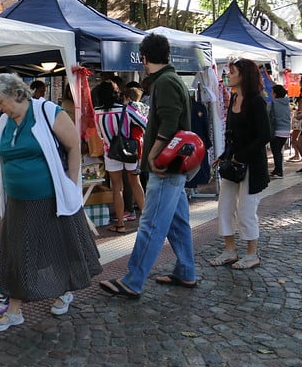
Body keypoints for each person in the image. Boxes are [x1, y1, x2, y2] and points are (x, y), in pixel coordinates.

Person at [0, 73, 102, 332]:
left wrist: (72, 185)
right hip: (17, 200)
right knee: (17, 254)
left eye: (0, 101)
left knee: (54, 249)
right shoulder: (5, 121)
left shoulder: (48, 111)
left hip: (49, 197)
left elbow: (73, 147)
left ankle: (62, 291)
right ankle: (14, 310)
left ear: (16, 94)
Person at [99, 33, 196, 298]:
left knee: (151, 224)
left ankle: (133, 280)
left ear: (144, 58)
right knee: (178, 223)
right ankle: (186, 271)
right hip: (174, 165)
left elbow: (168, 121)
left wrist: (153, 154)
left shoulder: (164, 82)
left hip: (166, 166)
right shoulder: (171, 79)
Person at [209, 58, 270, 270]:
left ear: (243, 75)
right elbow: (231, 135)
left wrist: (241, 156)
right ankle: (229, 250)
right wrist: (225, 155)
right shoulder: (234, 97)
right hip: (232, 164)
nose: (228, 75)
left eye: (231, 72)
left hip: (252, 165)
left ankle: (252, 254)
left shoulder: (256, 101)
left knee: (246, 210)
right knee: (225, 206)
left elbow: (264, 135)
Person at [94, 81, 147, 233]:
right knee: (135, 183)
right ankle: (145, 221)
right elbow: (145, 123)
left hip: (110, 152)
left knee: (117, 187)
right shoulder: (126, 109)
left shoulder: (96, 112)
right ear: (117, 93)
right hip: (129, 151)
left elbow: (99, 135)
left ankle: (120, 225)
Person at [267, 85, 291, 179]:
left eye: (272, 92)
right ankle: (277, 170)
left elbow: (266, 114)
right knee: (278, 151)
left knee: (276, 152)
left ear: (275, 93)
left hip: (276, 130)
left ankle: (279, 172)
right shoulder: (286, 103)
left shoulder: (272, 103)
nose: (271, 94)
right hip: (286, 131)